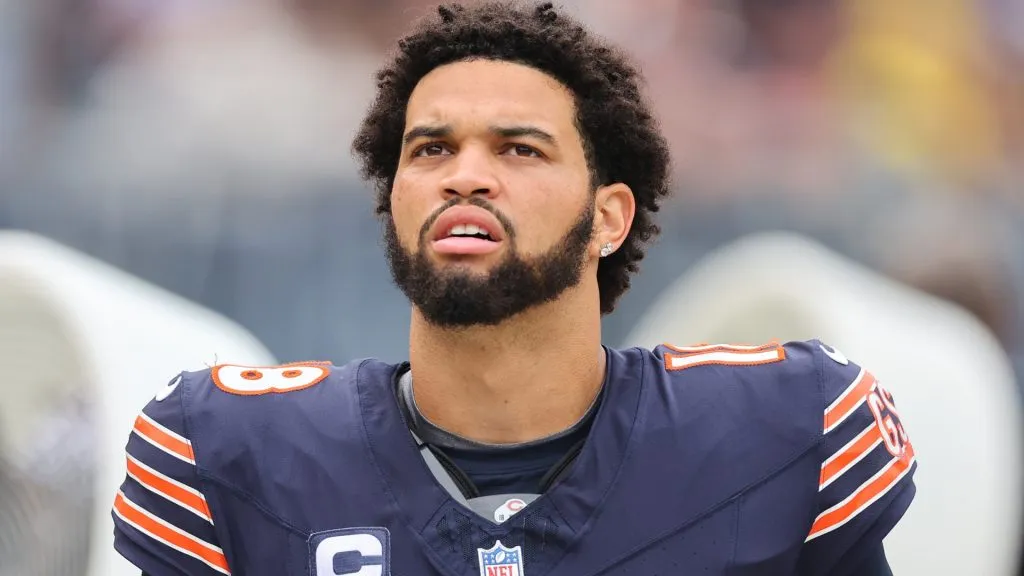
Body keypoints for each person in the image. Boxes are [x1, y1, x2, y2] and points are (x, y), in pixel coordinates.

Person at [110, 3, 916, 575]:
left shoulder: (778, 431)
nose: (464, 176)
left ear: (610, 217)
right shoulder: (236, 456)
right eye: (429, 150)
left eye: (519, 150)